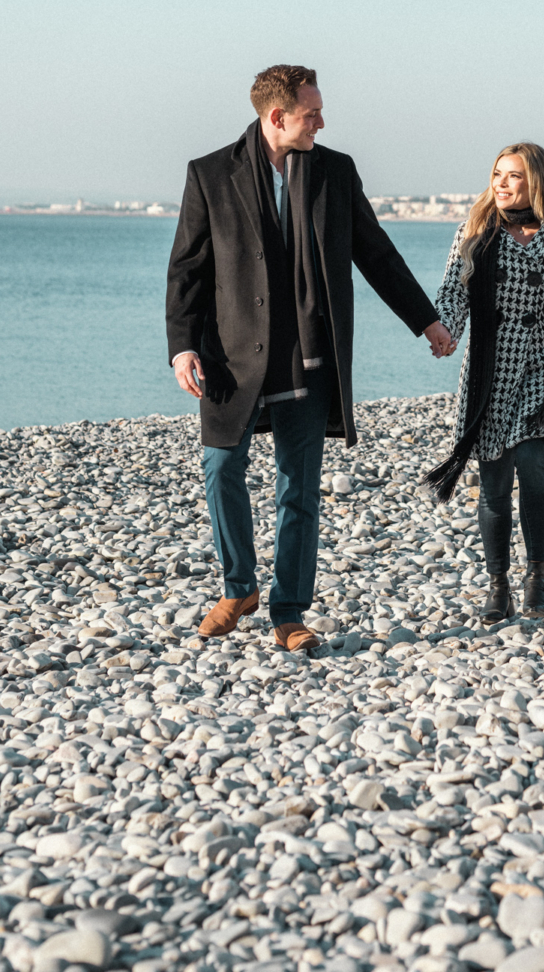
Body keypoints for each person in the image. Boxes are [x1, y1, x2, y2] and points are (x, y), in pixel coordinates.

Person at [167, 64, 452, 652]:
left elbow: (375, 252)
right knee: (222, 468)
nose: (321, 121)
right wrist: (182, 345)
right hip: (231, 355)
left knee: (298, 485)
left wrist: (425, 322)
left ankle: (288, 611)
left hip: (310, 353)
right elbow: (188, 269)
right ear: (277, 117)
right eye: (311, 112)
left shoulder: (335, 171)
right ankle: (238, 585)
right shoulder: (210, 174)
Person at [425, 143, 544, 623]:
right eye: (497, 174)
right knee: (493, 480)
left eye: (513, 176)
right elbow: (453, 289)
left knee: (532, 461)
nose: (502, 184)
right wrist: (445, 331)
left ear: (536, 182)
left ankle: (537, 578)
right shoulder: (475, 234)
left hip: (543, 373)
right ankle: (498, 586)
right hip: (490, 375)